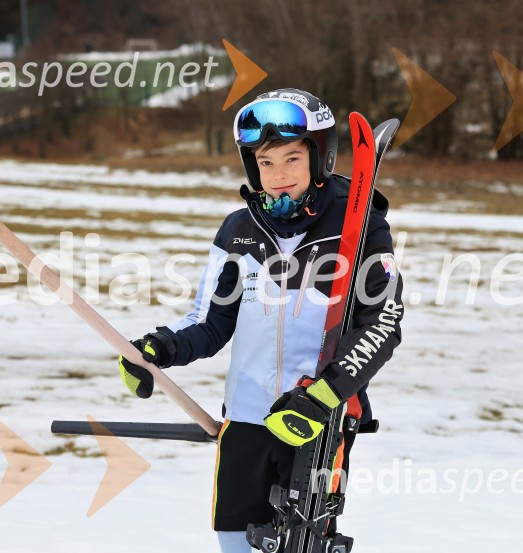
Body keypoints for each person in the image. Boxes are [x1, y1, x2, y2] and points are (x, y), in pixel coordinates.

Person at [118, 88, 403, 552]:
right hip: (247, 419)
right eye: (265, 163)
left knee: (300, 545)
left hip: (316, 421)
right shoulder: (238, 231)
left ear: (320, 157)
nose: (278, 176)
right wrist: (161, 349)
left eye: (291, 158)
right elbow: (210, 323)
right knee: (235, 542)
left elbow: (383, 323)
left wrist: (323, 397)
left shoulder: (360, 226)